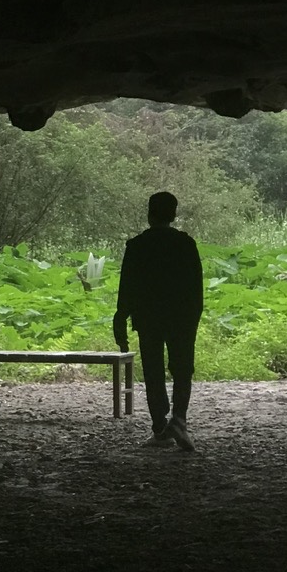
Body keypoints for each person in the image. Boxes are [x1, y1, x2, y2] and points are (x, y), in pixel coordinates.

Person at [113, 191, 203, 451]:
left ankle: (159, 428)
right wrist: (193, 317)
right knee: (183, 369)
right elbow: (195, 287)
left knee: (153, 371)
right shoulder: (186, 244)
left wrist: (121, 317)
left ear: (149, 214)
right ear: (174, 214)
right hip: (181, 317)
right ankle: (179, 420)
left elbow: (127, 287)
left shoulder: (137, 245)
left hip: (148, 317)